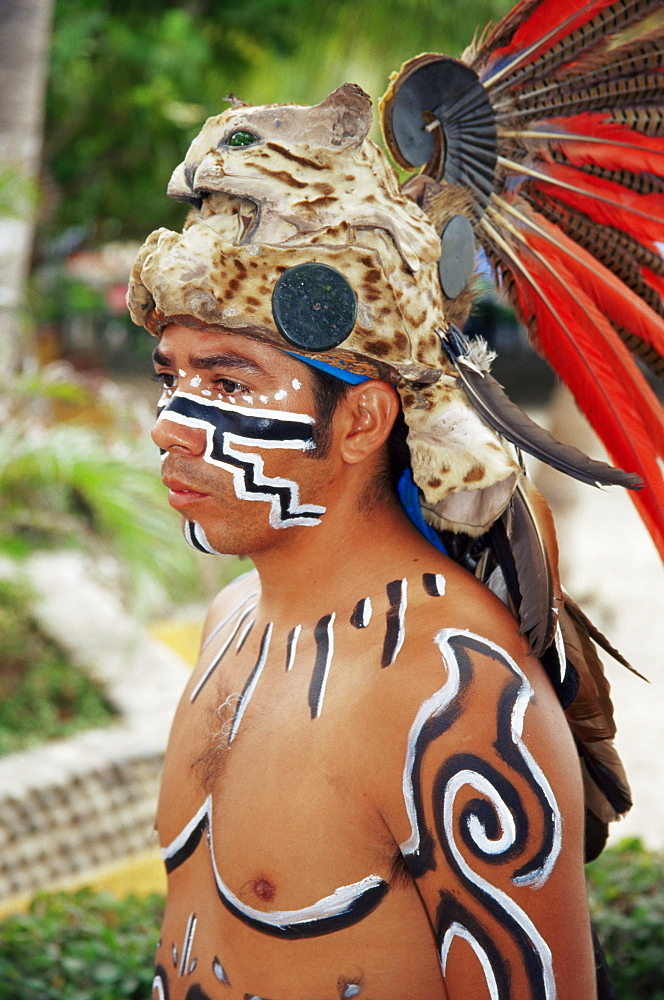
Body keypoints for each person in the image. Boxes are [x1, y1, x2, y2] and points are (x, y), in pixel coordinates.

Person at [127, 2, 664, 988]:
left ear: (364, 418)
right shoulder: (228, 621)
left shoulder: (460, 702)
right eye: (172, 374)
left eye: (230, 381)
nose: (169, 421)